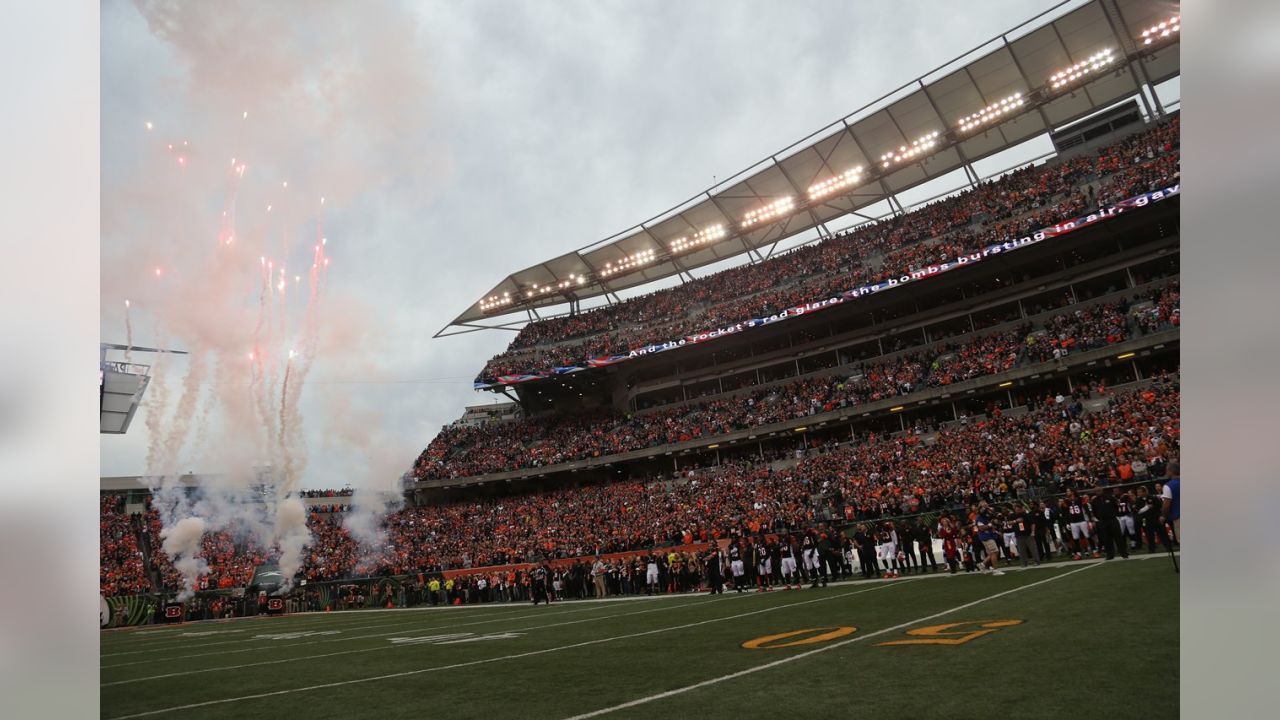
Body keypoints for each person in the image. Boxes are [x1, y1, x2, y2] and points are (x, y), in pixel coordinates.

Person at [1091, 487, 1129, 560]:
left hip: (1112, 520)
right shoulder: (1094, 501)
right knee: (1107, 539)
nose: (1098, 492)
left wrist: (1113, 514)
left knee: (1118, 537)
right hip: (1103, 521)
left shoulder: (1110, 497)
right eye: (1096, 491)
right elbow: (1094, 512)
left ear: (1102, 490)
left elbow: (1116, 507)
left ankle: (1124, 553)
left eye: (1099, 490)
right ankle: (1110, 555)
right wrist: (1100, 518)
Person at [975, 505, 1005, 576]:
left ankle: (982, 564)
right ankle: (995, 570)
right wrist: (990, 525)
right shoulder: (979, 518)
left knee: (992, 553)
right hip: (986, 536)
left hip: (989, 535)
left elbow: (996, 514)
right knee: (994, 552)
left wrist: (988, 508)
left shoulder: (986, 516)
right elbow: (982, 528)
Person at [1012, 502, 1041, 567]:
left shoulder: (1026, 515)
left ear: (1021, 509)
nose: (1017, 510)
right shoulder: (1013, 516)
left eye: (1019, 509)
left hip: (1028, 534)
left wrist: (1033, 531)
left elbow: (1033, 523)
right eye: (1016, 509)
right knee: (1021, 550)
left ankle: (1037, 561)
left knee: (1033, 549)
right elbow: (1008, 523)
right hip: (1019, 535)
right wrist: (1015, 521)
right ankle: (1024, 563)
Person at [1161, 461, 1181, 542]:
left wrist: (1164, 516)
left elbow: (1166, 505)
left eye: (1167, 470)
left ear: (1171, 471)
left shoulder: (1168, 486)